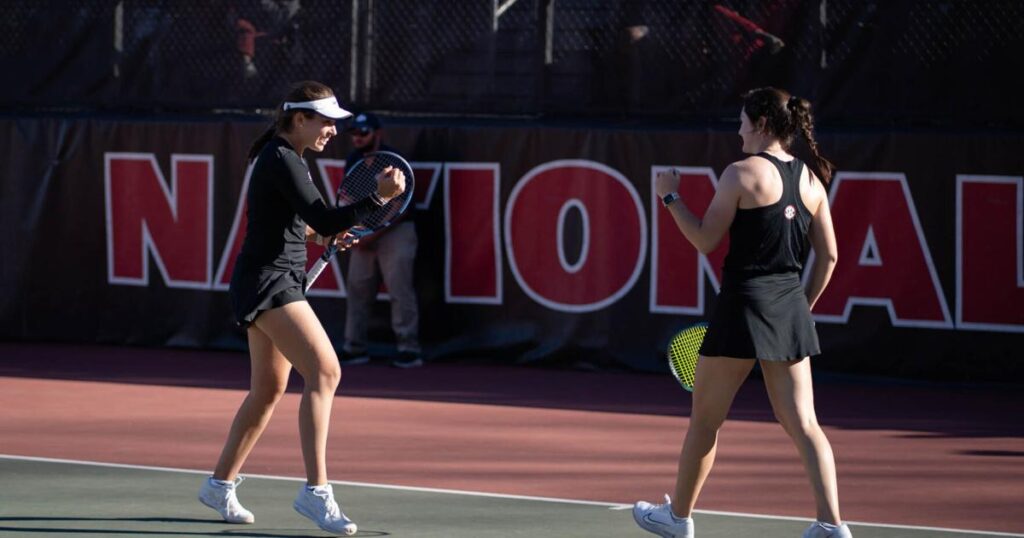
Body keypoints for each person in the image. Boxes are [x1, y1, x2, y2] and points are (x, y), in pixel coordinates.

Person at [633, 87, 850, 538]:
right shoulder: (811, 180)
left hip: (742, 307)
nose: (738, 130)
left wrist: (670, 197)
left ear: (763, 125)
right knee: (805, 424)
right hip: (787, 309)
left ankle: (677, 519)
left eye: (742, 122)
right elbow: (828, 258)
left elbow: (704, 239)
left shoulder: (740, 174)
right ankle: (832, 526)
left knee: (706, 421)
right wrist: (799, 308)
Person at [198, 81, 405, 536]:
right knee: (326, 371)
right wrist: (378, 198)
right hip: (269, 283)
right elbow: (325, 216)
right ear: (299, 120)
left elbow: (295, 223)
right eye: (325, 121)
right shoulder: (281, 158)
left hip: (271, 280)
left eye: (335, 122)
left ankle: (219, 484)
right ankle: (316, 493)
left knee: (268, 390)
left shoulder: (286, 159)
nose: (333, 129)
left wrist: (322, 238)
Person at [337, 113, 423, 369]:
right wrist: (357, 231)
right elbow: (349, 201)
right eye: (353, 133)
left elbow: (400, 206)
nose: (357, 138)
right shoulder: (353, 161)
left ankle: (409, 348)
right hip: (364, 233)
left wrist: (373, 232)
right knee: (357, 288)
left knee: (399, 289)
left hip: (396, 231)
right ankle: (355, 347)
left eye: (363, 133)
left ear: (378, 133)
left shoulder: (392, 162)